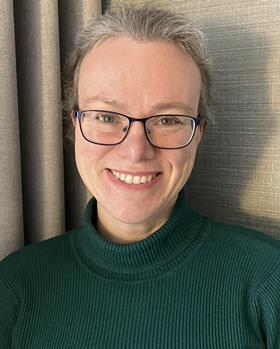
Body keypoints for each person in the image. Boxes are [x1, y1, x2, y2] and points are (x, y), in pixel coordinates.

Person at [0, 5, 279, 348]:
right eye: (105, 117)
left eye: (168, 120)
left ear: (199, 134)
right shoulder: (15, 286)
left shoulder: (268, 280)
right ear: (74, 126)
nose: (136, 151)